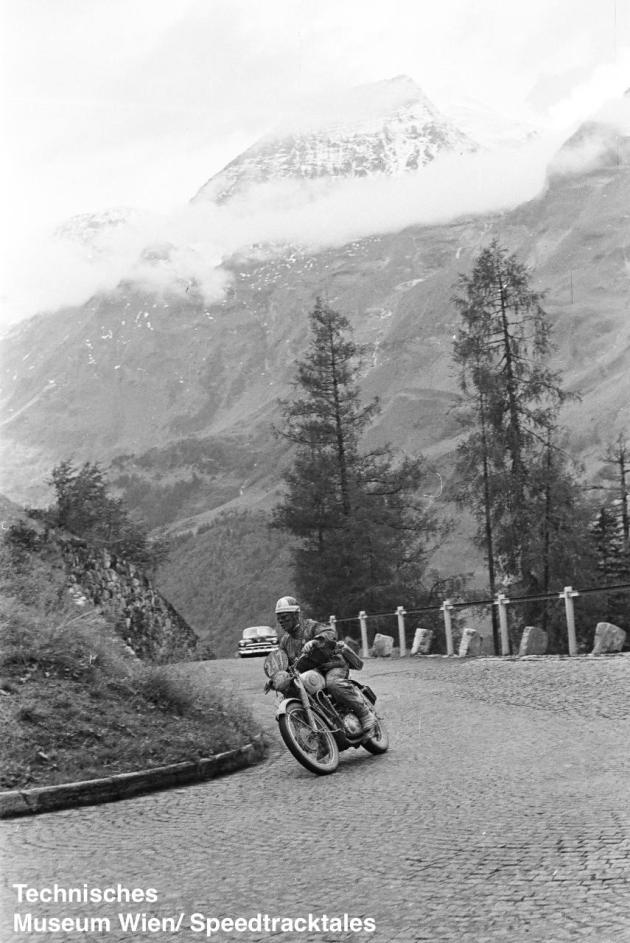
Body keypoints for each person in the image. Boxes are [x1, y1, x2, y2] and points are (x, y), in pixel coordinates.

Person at [274, 595, 375, 737]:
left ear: (295, 615)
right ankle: (321, 738)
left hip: (331, 665)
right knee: (293, 697)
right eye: (279, 618)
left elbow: (329, 633)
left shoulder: (310, 626)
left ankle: (365, 714)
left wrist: (316, 641)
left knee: (333, 684)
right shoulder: (285, 641)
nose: (281, 621)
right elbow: (283, 662)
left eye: (284, 617)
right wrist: (276, 676)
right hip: (308, 674)